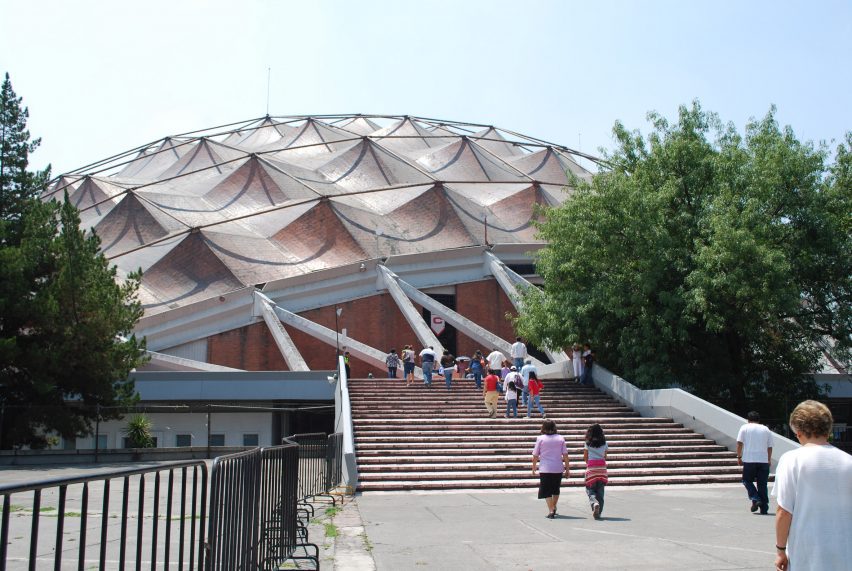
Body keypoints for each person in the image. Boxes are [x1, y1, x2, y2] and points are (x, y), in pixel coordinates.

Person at [772, 400, 852, 571]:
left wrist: (780, 550)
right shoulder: (848, 461)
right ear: (828, 429)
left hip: (807, 554)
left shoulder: (791, 459)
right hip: (846, 552)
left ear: (798, 432)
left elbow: (784, 511)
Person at [736, 411, 773, 514]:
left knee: (746, 480)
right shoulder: (766, 429)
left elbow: (739, 443)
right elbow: (770, 446)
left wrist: (739, 457)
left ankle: (756, 499)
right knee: (762, 484)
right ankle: (764, 508)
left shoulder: (744, 427)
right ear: (759, 420)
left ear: (748, 420)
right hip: (763, 460)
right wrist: (769, 459)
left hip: (749, 460)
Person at [532, 420, 570, 519]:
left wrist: (533, 467)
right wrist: (567, 469)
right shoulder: (561, 438)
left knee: (546, 490)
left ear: (543, 427)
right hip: (558, 468)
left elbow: (535, 455)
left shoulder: (540, 438)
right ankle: (554, 506)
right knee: (555, 489)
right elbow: (565, 455)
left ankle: (551, 510)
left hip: (545, 468)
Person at [584, 423, 608, 520]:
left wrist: (589, 463)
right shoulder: (605, 443)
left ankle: (594, 503)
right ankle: (599, 512)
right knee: (600, 491)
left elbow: (585, 457)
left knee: (590, 489)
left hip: (591, 468)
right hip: (602, 468)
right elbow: (605, 456)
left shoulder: (587, 443)